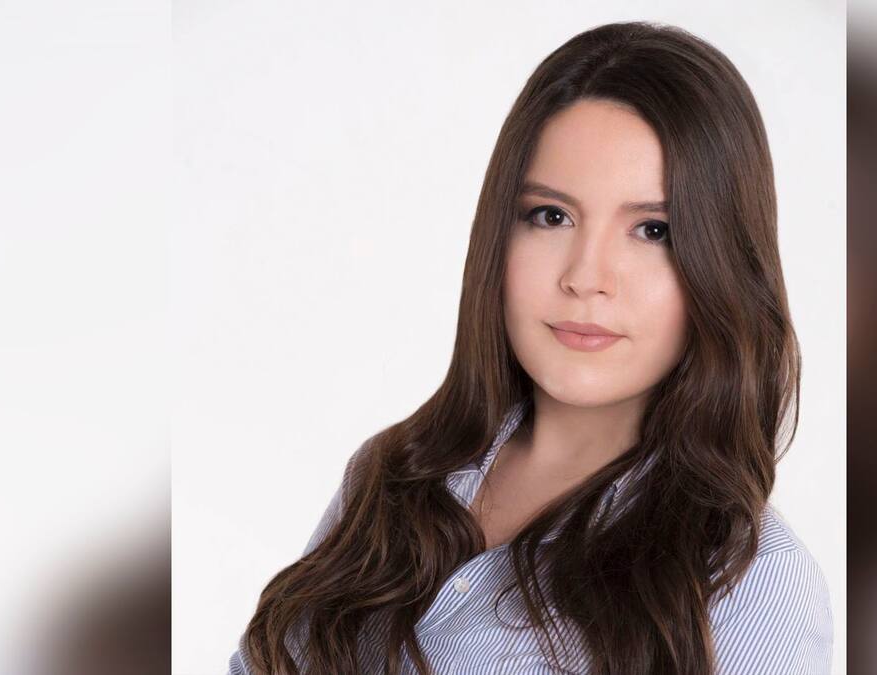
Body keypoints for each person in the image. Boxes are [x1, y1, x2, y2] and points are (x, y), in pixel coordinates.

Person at [229, 21, 832, 674]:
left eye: (653, 230)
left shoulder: (753, 584)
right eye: (551, 216)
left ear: (724, 262)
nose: (585, 276)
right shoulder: (394, 475)